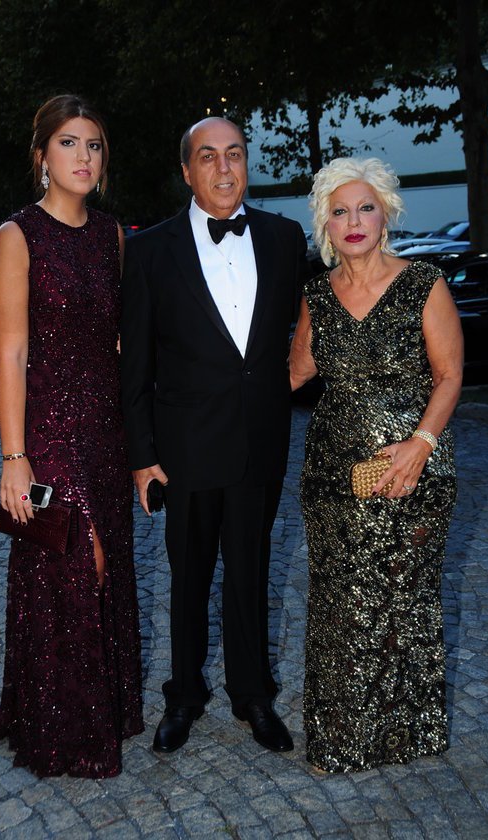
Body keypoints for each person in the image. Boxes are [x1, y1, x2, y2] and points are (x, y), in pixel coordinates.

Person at [0, 94, 143, 777]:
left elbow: (117, 340)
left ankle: (99, 706)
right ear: (41, 155)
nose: (83, 156)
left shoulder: (111, 235)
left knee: (108, 563)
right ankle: (61, 723)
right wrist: (14, 457)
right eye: (69, 143)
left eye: (93, 144)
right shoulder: (18, 235)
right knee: (74, 560)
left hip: (106, 429)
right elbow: (10, 354)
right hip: (48, 429)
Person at [120, 117, 309, 754]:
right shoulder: (150, 250)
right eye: (208, 156)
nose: (224, 168)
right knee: (189, 576)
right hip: (186, 446)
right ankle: (184, 694)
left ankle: (253, 694)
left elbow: (312, 324)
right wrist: (142, 456)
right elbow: (135, 366)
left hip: (261, 439)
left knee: (251, 571)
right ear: (187, 171)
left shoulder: (284, 237)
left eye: (234, 154)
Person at [289, 157, 463, 773]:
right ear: (326, 225)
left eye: (365, 207)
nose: (354, 220)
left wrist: (421, 443)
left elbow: (450, 375)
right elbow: (292, 374)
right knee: (340, 602)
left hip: (415, 471)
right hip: (334, 476)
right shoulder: (316, 295)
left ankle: (405, 732)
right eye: (340, 211)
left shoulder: (424, 283)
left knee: (403, 599)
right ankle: (340, 739)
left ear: (385, 213)